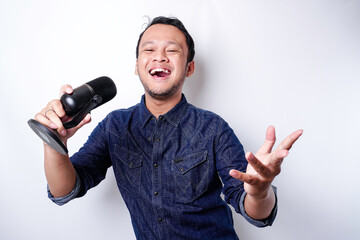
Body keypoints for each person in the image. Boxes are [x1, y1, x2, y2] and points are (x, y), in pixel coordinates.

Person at [34, 16, 302, 239]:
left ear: (189, 68)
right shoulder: (114, 126)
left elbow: (255, 211)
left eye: (172, 50)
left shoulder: (213, 128)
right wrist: (53, 140)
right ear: (137, 66)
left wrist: (259, 192)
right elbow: (64, 190)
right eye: (148, 50)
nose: (159, 57)